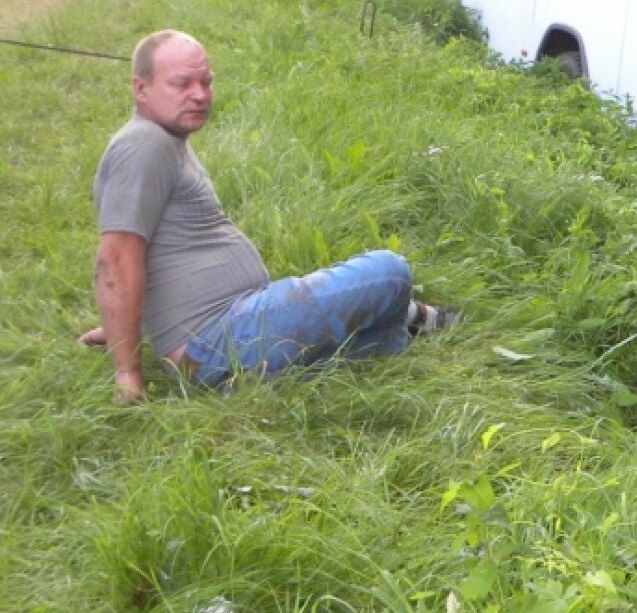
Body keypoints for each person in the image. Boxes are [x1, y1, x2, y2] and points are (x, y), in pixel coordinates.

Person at [81, 30, 459, 403]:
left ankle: (253, 378)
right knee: (390, 271)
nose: (199, 94)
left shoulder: (161, 139)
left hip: (224, 331)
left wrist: (123, 328)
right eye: (181, 84)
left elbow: (153, 248)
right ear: (140, 88)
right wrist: (127, 371)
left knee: (383, 340)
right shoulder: (144, 146)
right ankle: (407, 313)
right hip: (216, 338)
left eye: (206, 81)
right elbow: (116, 259)